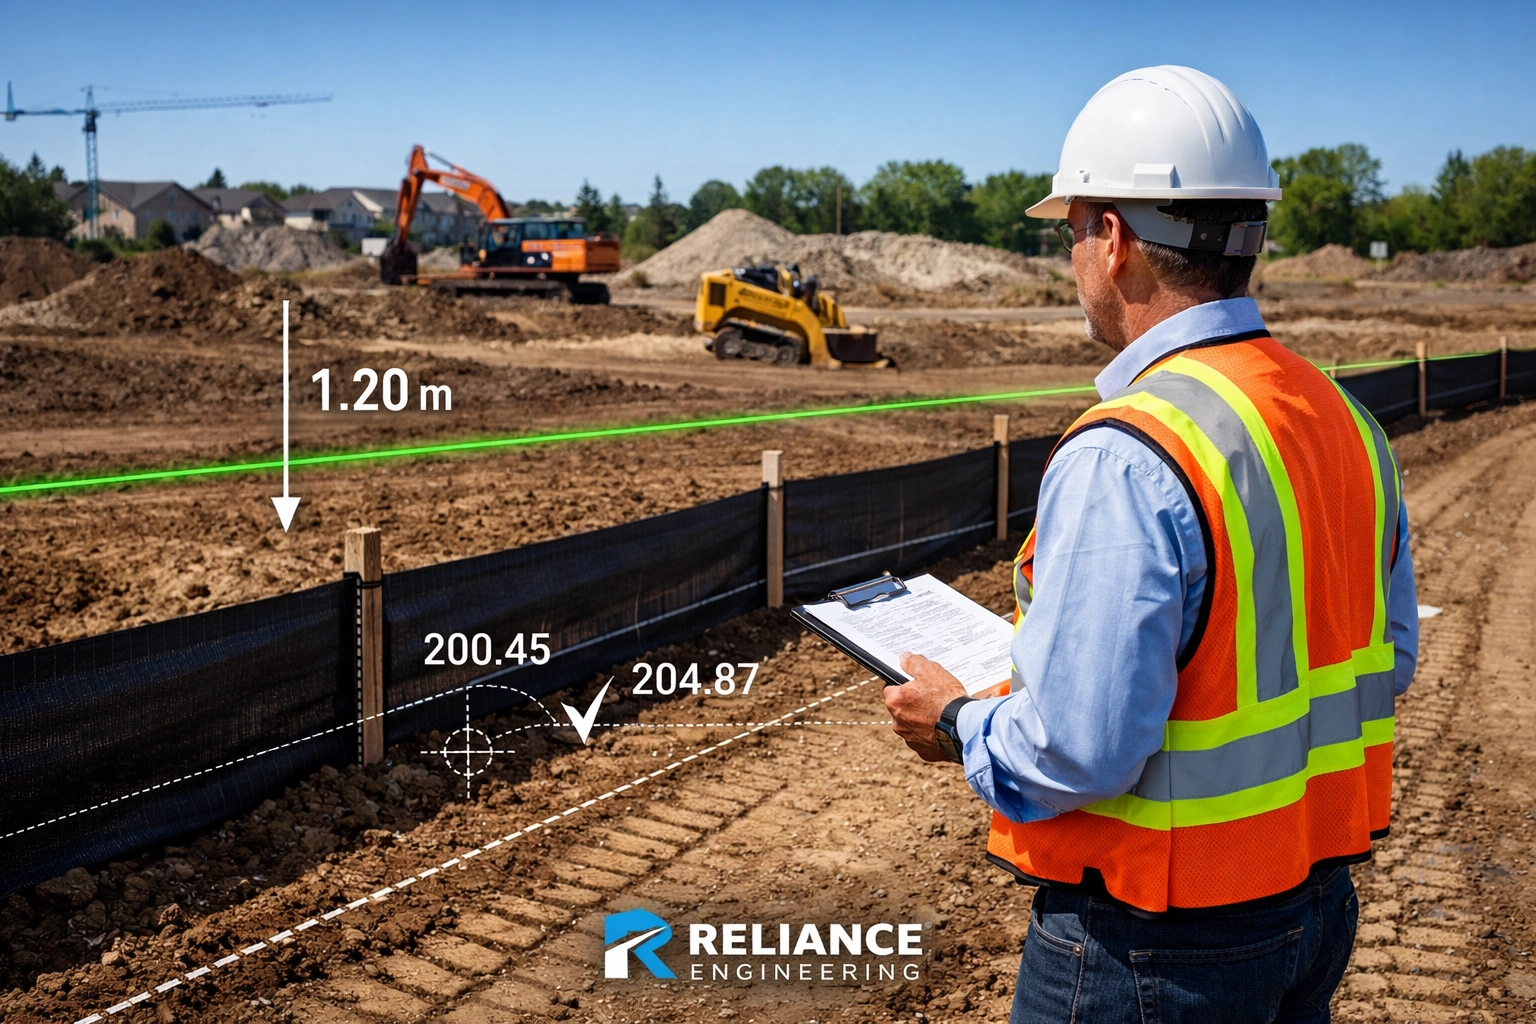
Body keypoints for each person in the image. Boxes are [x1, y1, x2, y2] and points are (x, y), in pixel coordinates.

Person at [883, 66, 1418, 1023]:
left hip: (1154, 950)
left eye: (1074, 230)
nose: (1074, 257)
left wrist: (958, 722)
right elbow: (1389, 657)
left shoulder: (1131, 452)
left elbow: (1079, 750)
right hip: (1312, 910)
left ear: (1115, 238)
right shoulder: (1345, 419)